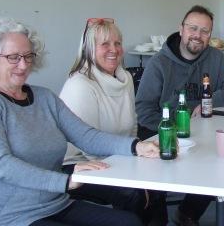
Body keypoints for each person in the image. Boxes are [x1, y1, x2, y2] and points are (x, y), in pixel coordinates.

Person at [0, 18, 160, 226]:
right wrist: (64, 181)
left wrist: (136, 146)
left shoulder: (44, 98)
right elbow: (0, 165)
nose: (23, 65)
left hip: (56, 203)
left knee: (129, 222)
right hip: (13, 216)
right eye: (13, 57)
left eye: (28, 56)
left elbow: (86, 136)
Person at [135, 5, 224, 225]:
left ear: (209, 36)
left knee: (222, 160)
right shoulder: (159, 64)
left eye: (205, 31)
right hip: (160, 132)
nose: (197, 35)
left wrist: (209, 100)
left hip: (201, 132)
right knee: (155, 185)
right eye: (193, 28)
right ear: (181, 29)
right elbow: (143, 110)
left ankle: (187, 214)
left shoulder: (214, 58)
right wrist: (176, 128)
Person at [59, 18, 167, 225]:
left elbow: (131, 128)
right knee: (133, 192)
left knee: (158, 180)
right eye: (105, 44)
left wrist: (140, 158)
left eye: (117, 43)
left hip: (118, 156)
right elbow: (86, 143)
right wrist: (133, 169)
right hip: (79, 164)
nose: (114, 49)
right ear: (89, 49)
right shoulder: (80, 85)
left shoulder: (124, 78)